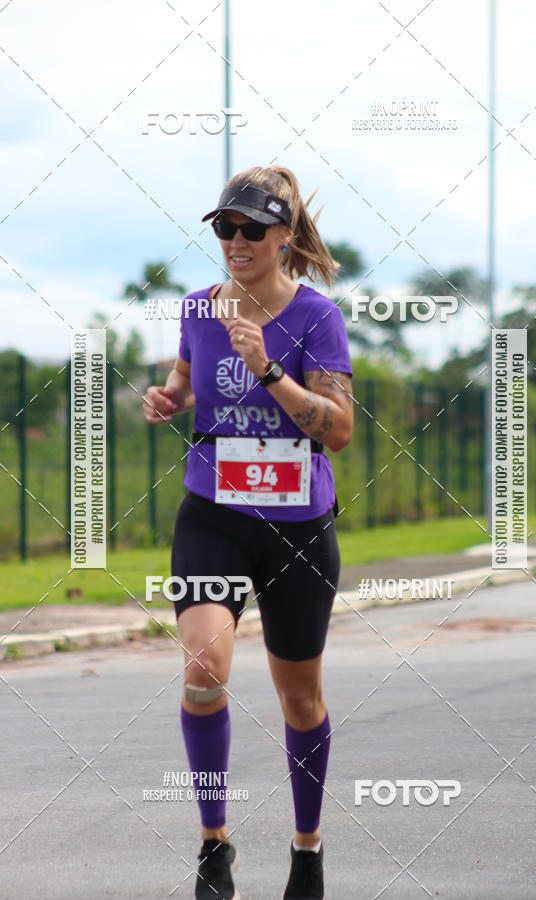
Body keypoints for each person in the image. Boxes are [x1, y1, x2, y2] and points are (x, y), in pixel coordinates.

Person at [142, 165, 353, 900]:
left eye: (251, 230)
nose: (235, 242)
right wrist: (172, 396)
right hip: (216, 518)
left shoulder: (316, 317)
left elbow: (341, 429)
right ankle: (214, 846)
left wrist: (268, 370)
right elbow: (188, 376)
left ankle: (307, 849)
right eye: (224, 229)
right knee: (203, 671)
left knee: (301, 699)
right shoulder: (200, 310)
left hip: (297, 528)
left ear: (284, 237)